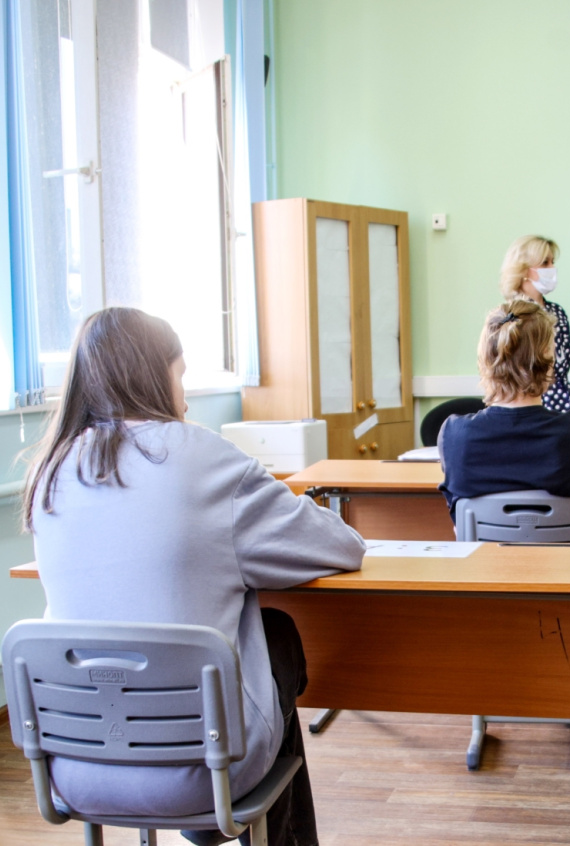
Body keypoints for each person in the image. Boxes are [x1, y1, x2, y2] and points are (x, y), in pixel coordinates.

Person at [23, 307, 365, 846]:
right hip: (205, 772)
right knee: (274, 635)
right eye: (180, 376)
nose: (184, 400)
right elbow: (340, 546)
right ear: (154, 375)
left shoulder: (51, 470)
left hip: (74, 768)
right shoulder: (200, 455)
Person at [437, 297, 570, 528]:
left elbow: (458, 515)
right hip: (569, 552)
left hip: (485, 553)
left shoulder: (454, 435)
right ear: (548, 360)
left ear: (485, 360)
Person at [499, 234, 570, 411]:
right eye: (544, 263)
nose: (552, 268)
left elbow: (562, 366)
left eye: (552, 262)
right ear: (523, 269)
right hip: (525, 406)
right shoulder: (510, 315)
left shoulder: (557, 312)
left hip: (563, 403)